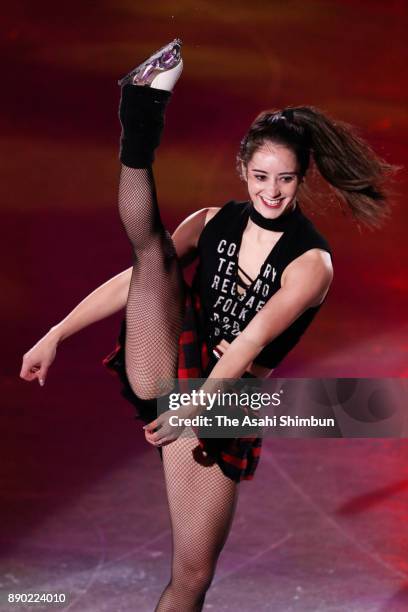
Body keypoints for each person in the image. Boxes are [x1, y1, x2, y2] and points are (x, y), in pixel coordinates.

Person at [20, 39, 397, 611]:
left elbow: (249, 343)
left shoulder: (310, 262)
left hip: (226, 399)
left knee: (192, 574)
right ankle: (140, 110)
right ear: (243, 169)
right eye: (261, 176)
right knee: (153, 257)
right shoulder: (213, 221)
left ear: (302, 179)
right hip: (169, 357)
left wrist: (195, 408)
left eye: (287, 180)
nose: (271, 192)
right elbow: (136, 284)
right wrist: (56, 333)